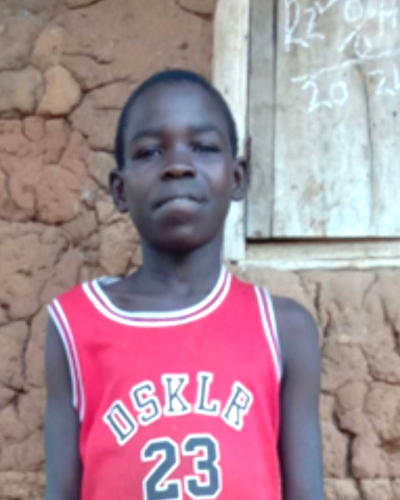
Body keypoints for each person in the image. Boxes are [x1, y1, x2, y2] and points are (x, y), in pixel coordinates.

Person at [44, 69, 324, 500]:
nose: (177, 166)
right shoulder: (74, 325)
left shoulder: (283, 329)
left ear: (237, 178)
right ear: (119, 190)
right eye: (150, 152)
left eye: (204, 147)